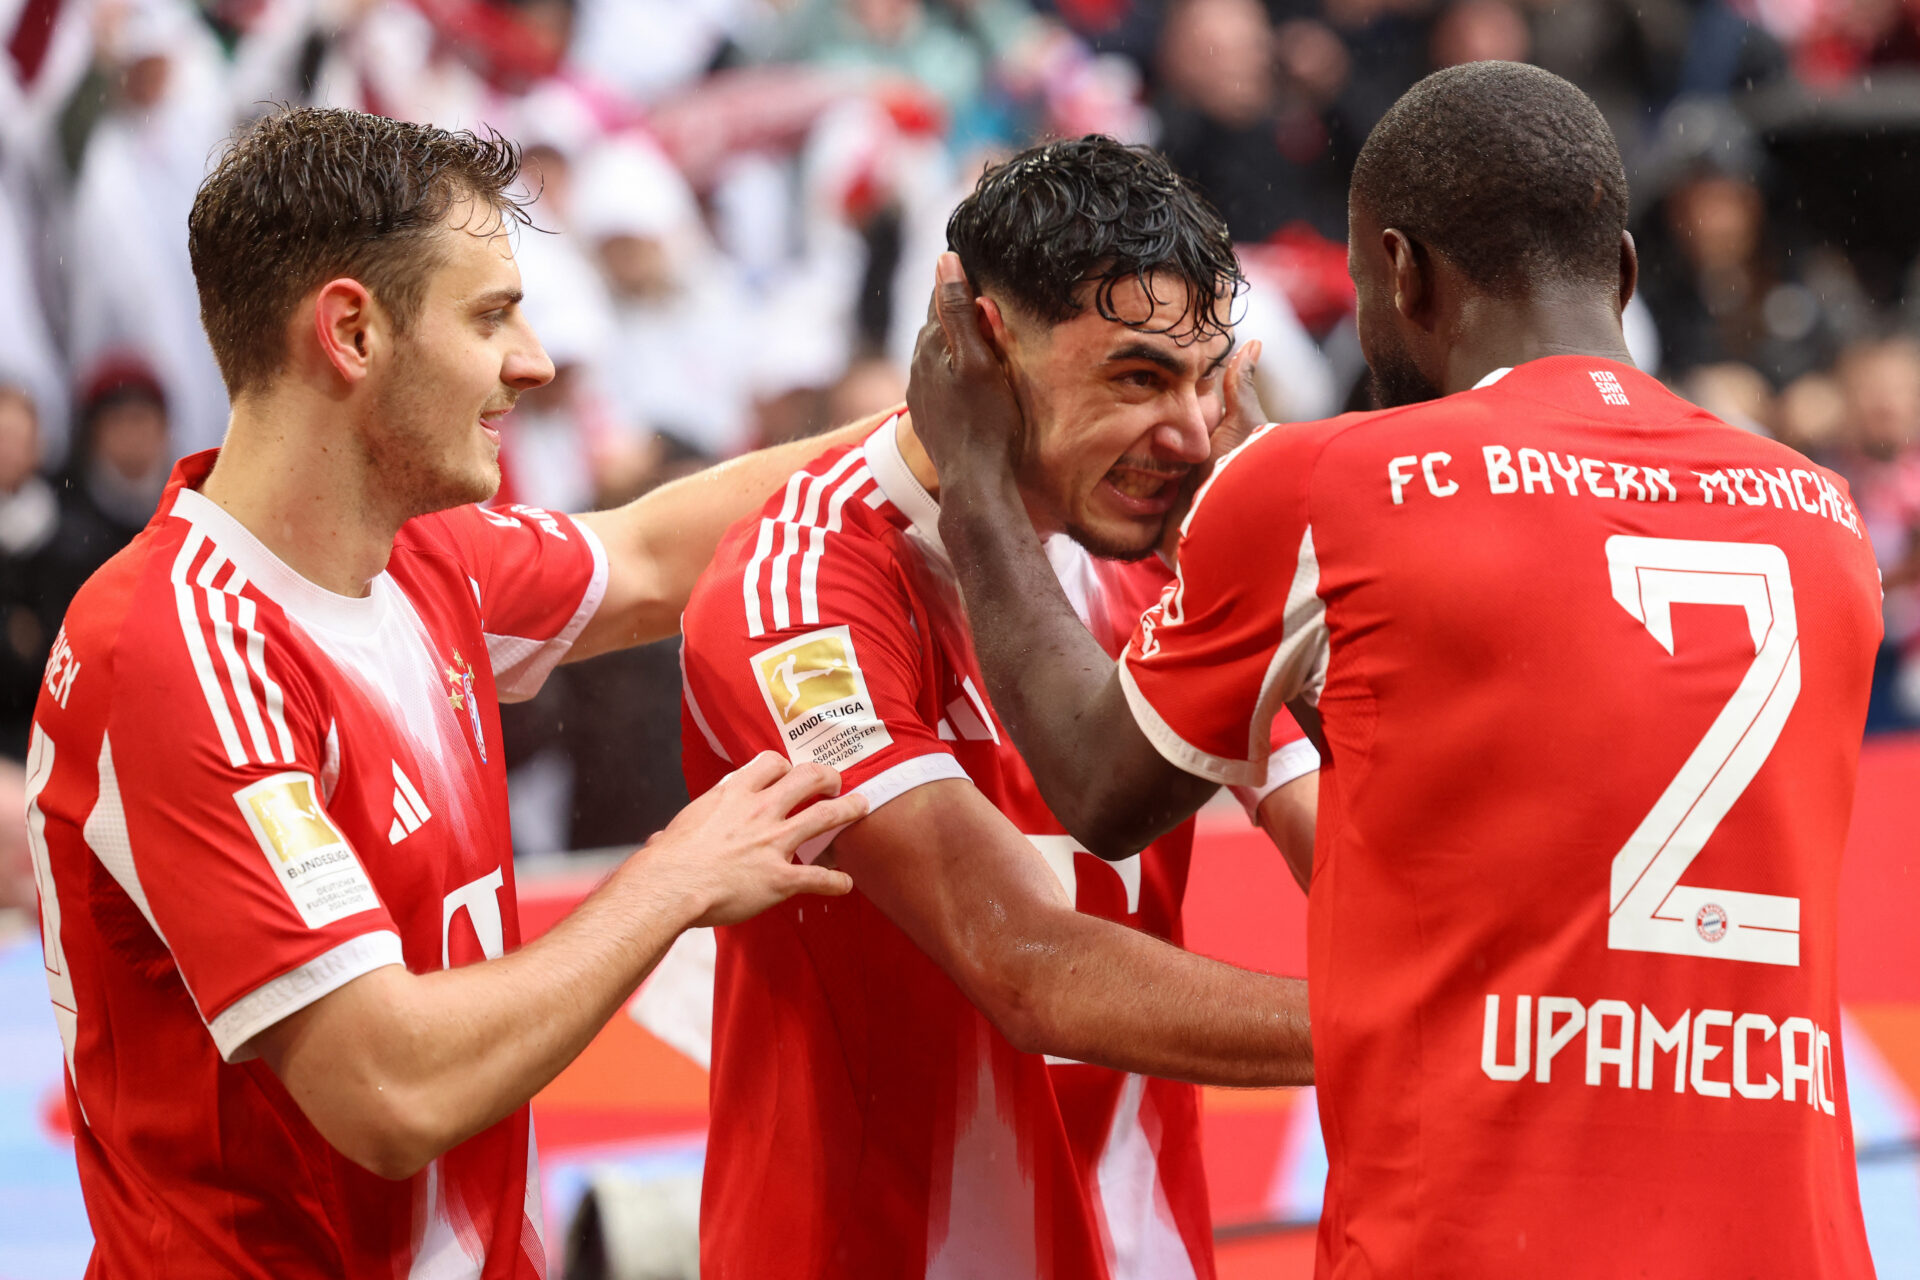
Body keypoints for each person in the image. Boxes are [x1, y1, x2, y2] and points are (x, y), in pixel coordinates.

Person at [909, 64, 1879, 1277]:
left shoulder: (1333, 482)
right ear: (1624, 273)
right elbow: (1511, 760)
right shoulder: (1822, 516)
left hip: (1477, 1239)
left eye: (1368, 288)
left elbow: (1098, 791)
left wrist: (984, 489)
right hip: (1795, 1245)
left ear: (1404, 272)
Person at [24, 107, 872, 1279]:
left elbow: (650, 555)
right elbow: (388, 1085)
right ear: (352, 332)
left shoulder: (418, 553)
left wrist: (938, 435)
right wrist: (672, 878)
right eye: (492, 315)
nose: (532, 360)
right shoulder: (173, 647)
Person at [678, 137, 1319, 1280]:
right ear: (978, 342)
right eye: (1135, 378)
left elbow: (1364, 853)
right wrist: (1410, 1031)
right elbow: (1024, 961)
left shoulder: (1178, 549)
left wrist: (1293, 580)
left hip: (1146, 1250)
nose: (1185, 434)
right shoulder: (799, 592)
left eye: (1204, 377)